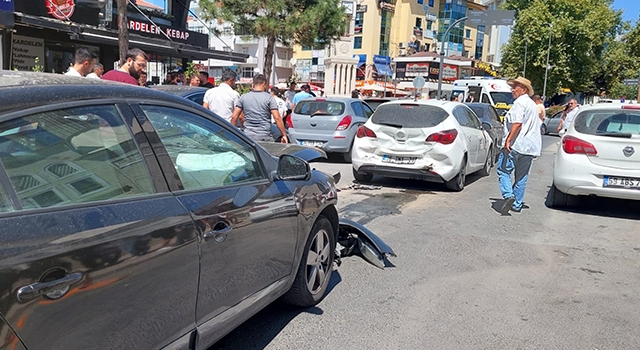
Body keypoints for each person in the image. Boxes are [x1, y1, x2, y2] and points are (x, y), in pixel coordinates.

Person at [498, 76, 542, 214]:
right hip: (529, 147)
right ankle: (517, 203)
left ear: (523, 89)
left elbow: (517, 123)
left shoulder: (519, 103)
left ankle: (508, 195)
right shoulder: (532, 105)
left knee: (503, 170)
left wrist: (508, 140)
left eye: (515, 87)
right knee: (522, 176)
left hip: (516, 144)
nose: (512, 90)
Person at [230, 74, 288, 143]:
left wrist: (232, 134)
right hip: (264, 136)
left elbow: (234, 117)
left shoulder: (243, 97)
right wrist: (284, 135)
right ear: (264, 84)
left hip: (248, 136)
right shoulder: (269, 98)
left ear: (253, 84)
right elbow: (277, 117)